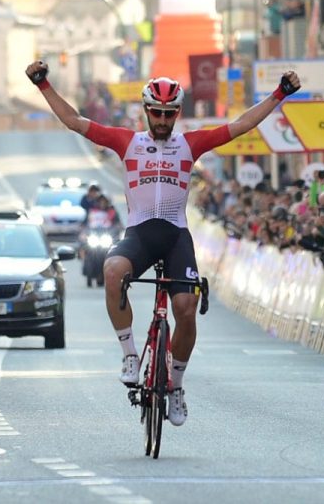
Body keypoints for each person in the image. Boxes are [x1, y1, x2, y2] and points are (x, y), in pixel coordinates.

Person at [26, 59, 300, 426]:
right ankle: (129, 355)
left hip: (175, 236)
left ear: (177, 113)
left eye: (169, 114)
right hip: (139, 233)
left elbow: (241, 125)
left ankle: (177, 386)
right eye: (156, 113)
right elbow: (75, 122)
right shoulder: (128, 142)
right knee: (111, 270)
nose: (162, 120)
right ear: (145, 111)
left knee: (186, 309)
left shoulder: (191, 144)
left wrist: (280, 94)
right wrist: (43, 85)